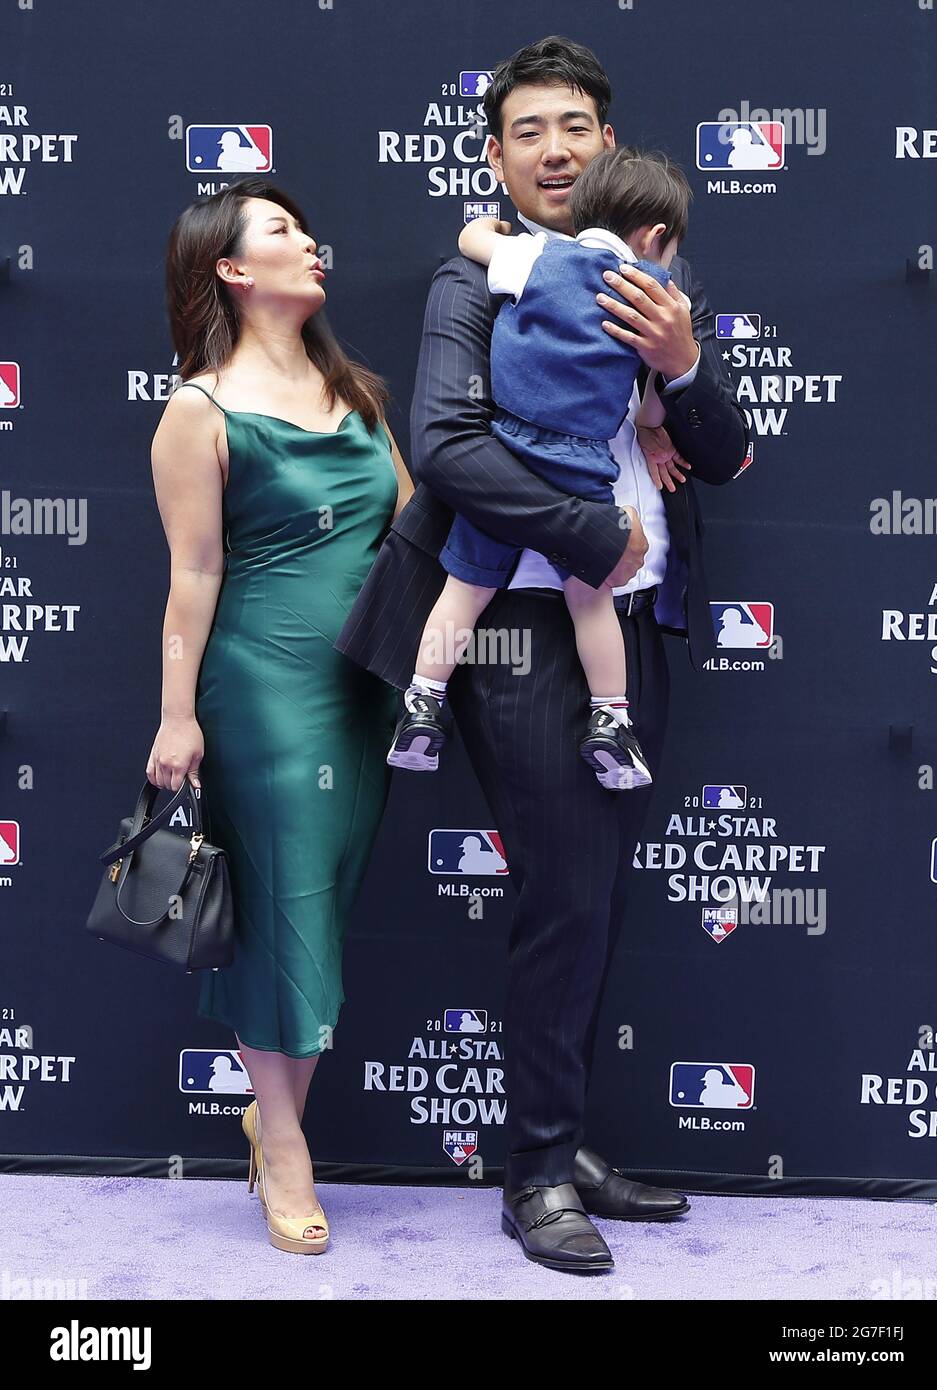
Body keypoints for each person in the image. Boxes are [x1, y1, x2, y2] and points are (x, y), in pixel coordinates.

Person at [335, 35, 751, 1274]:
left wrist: (683, 365)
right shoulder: (471, 284)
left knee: (591, 902)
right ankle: (535, 1173)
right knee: (564, 898)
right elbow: (452, 447)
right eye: (529, 130)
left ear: (606, 143)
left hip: (633, 632)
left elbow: (719, 452)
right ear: (499, 154)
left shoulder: (656, 275)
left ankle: (561, 1146)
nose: (556, 148)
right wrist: (601, 538)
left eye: (575, 125)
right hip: (517, 628)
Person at [147, 176, 413, 1255]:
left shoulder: (356, 395)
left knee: (320, 904)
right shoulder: (197, 409)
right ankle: (287, 1148)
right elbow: (192, 574)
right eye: (282, 231)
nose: (311, 244)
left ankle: (274, 1114)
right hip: (260, 688)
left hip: (364, 691)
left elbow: (412, 526)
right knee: (290, 904)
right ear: (230, 267)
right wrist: (176, 714)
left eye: (308, 227)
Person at [387, 146, 693, 791]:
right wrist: (652, 426)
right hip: (582, 467)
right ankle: (610, 720)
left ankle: (422, 702)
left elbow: (472, 238)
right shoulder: (657, 295)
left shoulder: (536, 257)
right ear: (656, 237)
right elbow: (656, 395)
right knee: (591, 602)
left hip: (509, 453)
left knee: (462, 594)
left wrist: (489, 232)